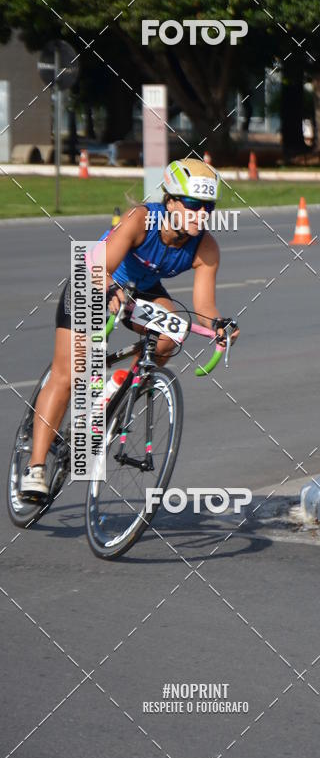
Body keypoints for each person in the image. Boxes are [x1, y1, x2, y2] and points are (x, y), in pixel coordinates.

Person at [20, 158, 238, 501]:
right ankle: (35, 469)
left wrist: (219, 326)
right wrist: (109, 291)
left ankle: (124, 383)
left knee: (174, 331)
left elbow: (205, 308)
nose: (202, 214)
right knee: (72, 372)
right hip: (96, 280)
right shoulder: (141, 220)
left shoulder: (205, 247)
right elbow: (99, 266)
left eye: (208, 207)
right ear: (172, 202)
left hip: (140, 291)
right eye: (195, 205)